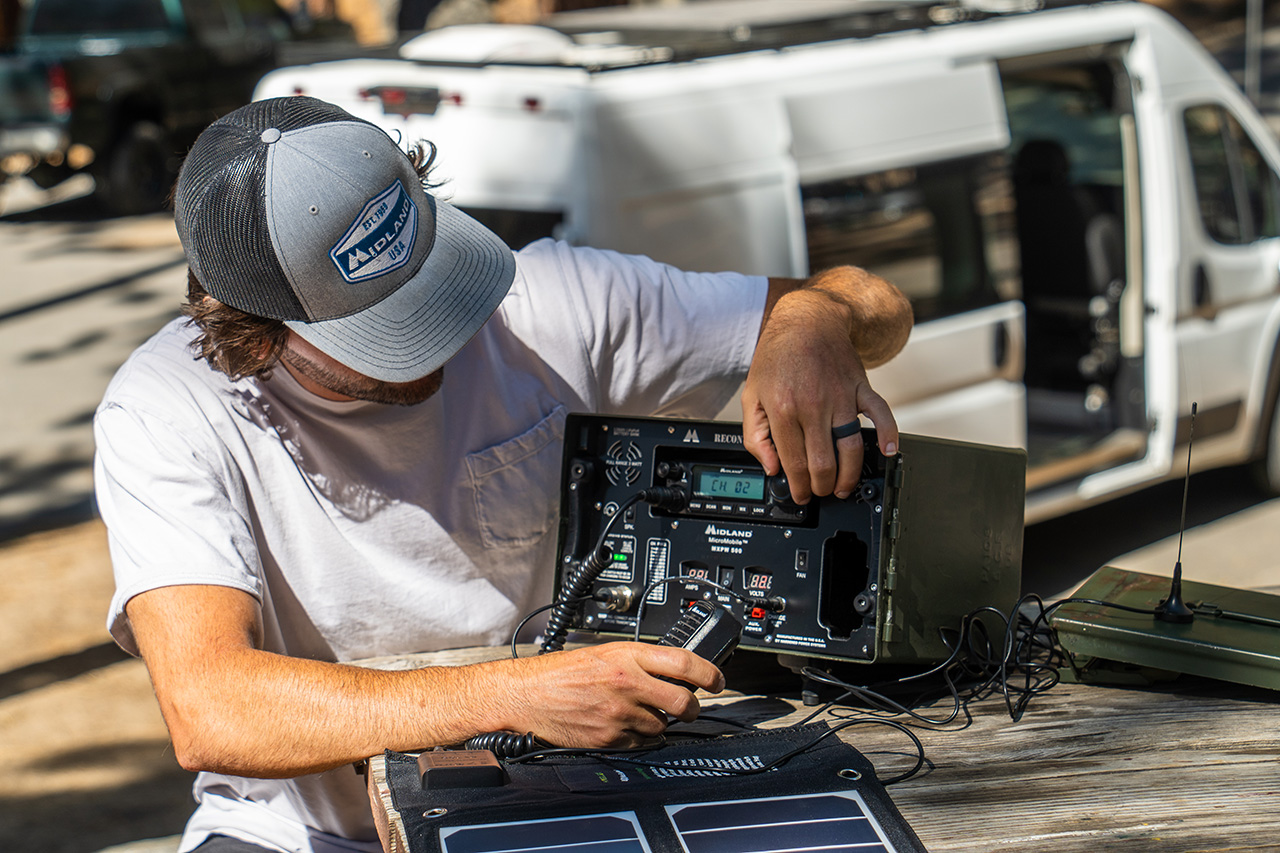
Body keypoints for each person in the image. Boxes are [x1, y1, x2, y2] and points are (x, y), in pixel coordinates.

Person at [93, 96, 913, 853]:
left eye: (429, 281)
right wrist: (518, 695)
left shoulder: (558, 300)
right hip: (304, 833)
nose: (442, 337)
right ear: (255, 332)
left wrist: (812, 319)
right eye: (385, 329)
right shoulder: (168, 410)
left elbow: (880, 303)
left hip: (561, 800)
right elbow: (212, 707)